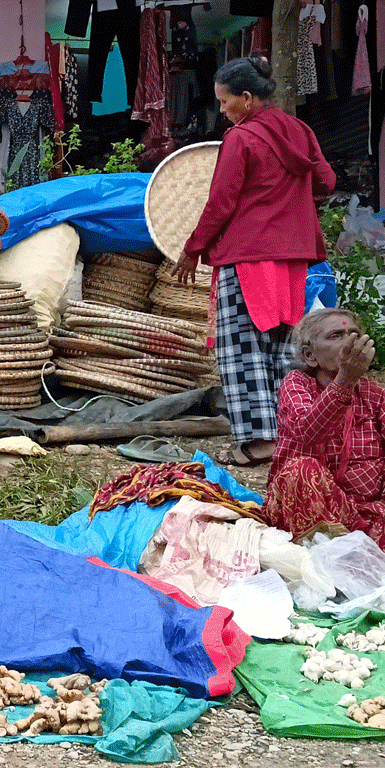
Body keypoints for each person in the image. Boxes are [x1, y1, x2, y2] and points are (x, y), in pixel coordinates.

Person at [171, 56, 335, 467]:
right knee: (282, 348)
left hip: (249, 255)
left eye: (225, 103)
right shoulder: (300, 131)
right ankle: (290, 436)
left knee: (242, 350)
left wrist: (193, 248)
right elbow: (326, 182)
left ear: (246, 98)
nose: (223, 111)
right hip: (293, 258)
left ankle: (261, 444)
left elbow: (222, 202)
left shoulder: (241, 139)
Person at [261, 308, 385, 547]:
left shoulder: (375, 395)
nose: (349, 341)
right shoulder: (296, 384)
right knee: (301, 471)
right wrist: (345, 381)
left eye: (354, 334)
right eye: (335, 336)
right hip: (308, 510)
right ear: (310, 355)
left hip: (364, 516)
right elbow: (307, 433)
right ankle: (325, 556)